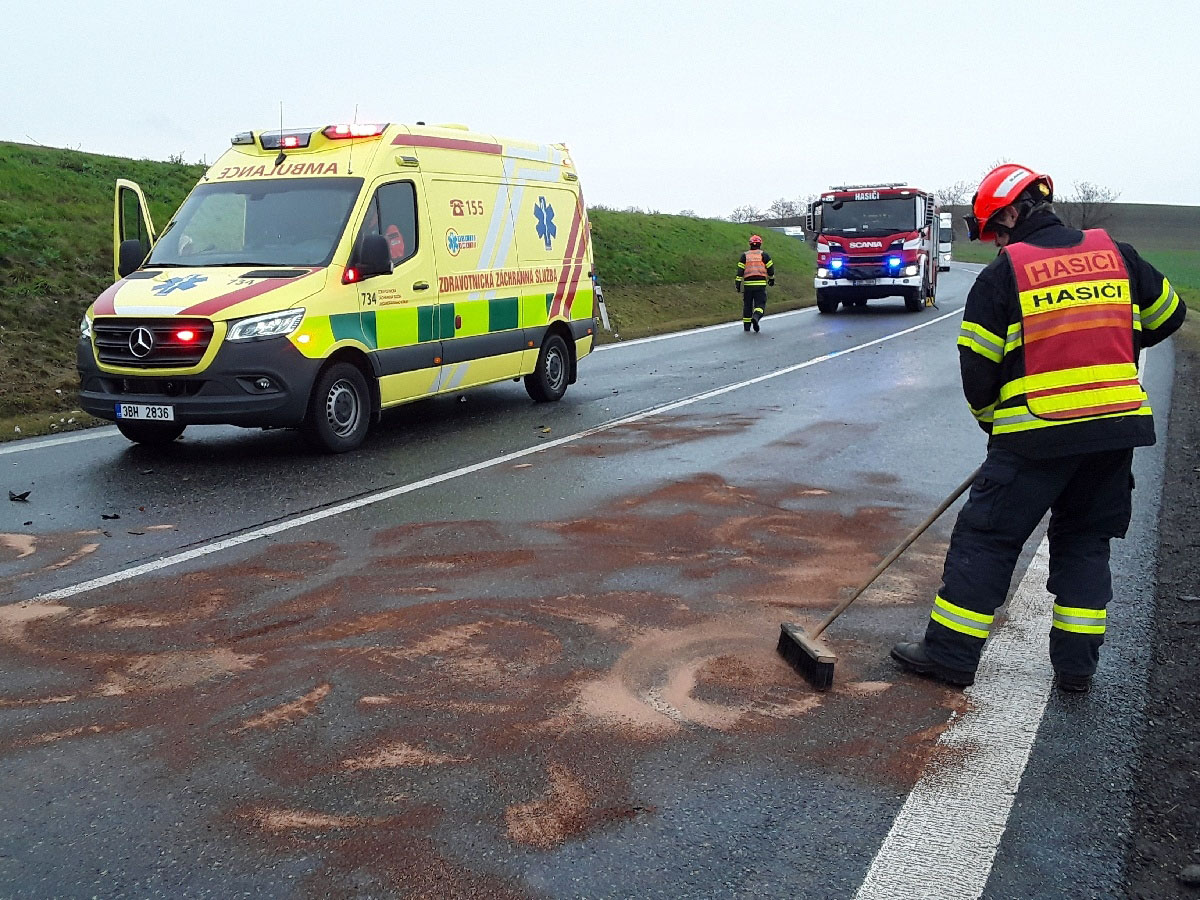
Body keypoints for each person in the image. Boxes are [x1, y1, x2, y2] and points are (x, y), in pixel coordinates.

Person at [890, 163, 1186, 694]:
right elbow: (1168, 314)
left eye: (996, 232)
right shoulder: (1115, 253)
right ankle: (1076, 669)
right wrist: (1114, 345)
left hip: (1035, 435)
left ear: (1011, 213)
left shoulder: (1005, 274)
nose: (997, 243)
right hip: (1114, 433)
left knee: (987, 540)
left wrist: (996, 429)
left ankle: (950, 657)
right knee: (1086, 540)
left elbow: (978, 374)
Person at [735, 234, 775, 332]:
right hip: (760, 284)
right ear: (760, 244)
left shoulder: (745, 255)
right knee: (760, 304)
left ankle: (747, 327)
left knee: (747, 305)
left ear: (750, 244)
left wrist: (738, 282)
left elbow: (740, 271)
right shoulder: (764, 255)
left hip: (748, 285)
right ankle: (756, 317)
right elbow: (770, 269)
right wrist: (771, 278)